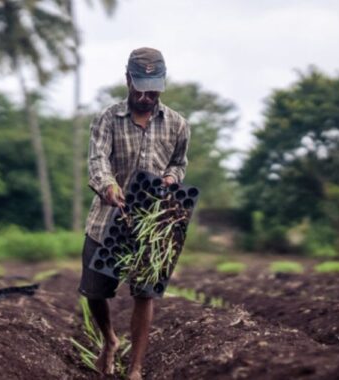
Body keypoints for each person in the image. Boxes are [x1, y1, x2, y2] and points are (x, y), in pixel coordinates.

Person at [78, 47, 190, 380]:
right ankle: (109, 340)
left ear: (162, 84)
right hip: (107, 220)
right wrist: (108, 186)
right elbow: (97, 161)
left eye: (153, 88)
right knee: (94, 291)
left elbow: (179, 163)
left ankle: (136, 369)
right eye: (139, 86)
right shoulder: (107, 118)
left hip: (151, 224)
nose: (145, 95)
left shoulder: (177, 125)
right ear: (127, 79)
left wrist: (171, 178)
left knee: (145, 294)